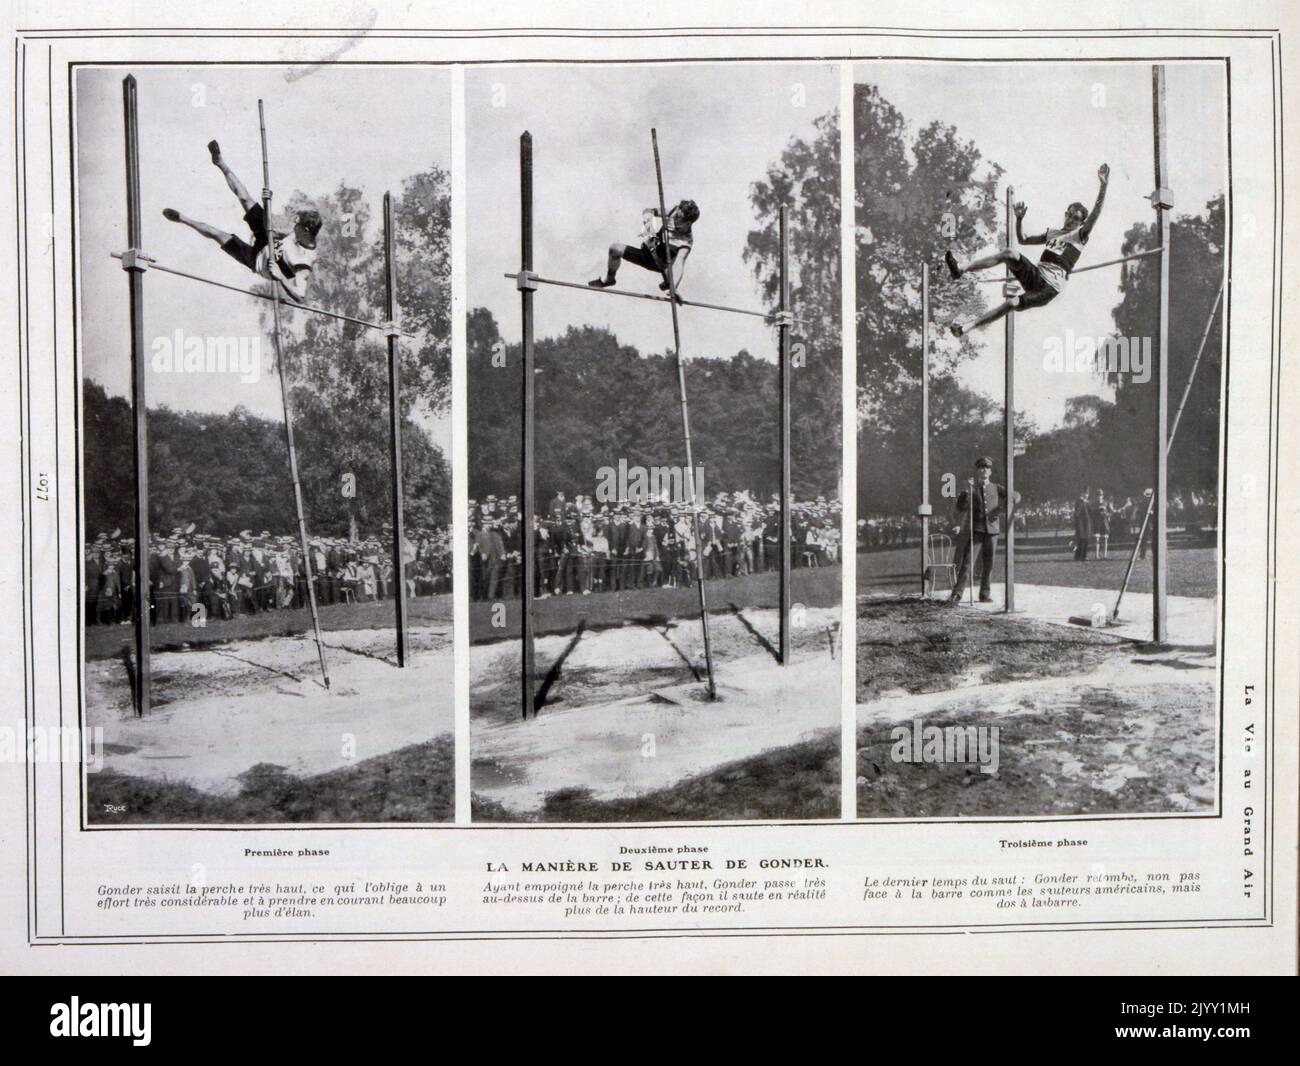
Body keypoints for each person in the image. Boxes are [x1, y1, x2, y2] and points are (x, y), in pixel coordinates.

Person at [945, 164, 1109, 336]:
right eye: (1069, 215)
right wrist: (1019, 220)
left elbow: (1096, 214)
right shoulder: (1053, 233)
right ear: (1065, 213)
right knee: (1010, 253)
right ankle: (960, 269)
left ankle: (965, 328)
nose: (1070, 220)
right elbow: (1023, 240)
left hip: (1048, 289)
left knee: (1012, 304)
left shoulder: (1079, 236)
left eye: (1075, 219)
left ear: (1081, 223)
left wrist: (1103, 186)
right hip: (1035, 275)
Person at [162, 139, 320, 303]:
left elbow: (300, 297)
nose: (294, 226)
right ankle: (220, 163)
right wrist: (266, 201)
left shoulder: (305, 262)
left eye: (298, 225)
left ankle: (182, 219)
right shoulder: (296, 234)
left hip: (257, 260)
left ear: (307, 230)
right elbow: (270, 228)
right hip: (267, 239)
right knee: (245, 198)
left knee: (218, 234)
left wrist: (280, 278)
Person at [589, 199, 699, 297]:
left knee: (670, 269)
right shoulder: (674, 211)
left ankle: (668, 281)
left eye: (678, 219)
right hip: (647, 249)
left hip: (655, 262)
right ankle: (609, 279)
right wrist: (648, 221)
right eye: (675, 216)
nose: (674, 219)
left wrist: (674, 287)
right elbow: (648, 210)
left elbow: (679, 263)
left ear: (688, 223)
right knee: (614, 249)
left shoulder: (686, 241)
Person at [950, 456, 1019, 604]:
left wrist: (1000, 509)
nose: (984, 470)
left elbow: (1015, 496)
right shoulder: (971, 489)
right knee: (968, 562)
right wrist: (966, 492)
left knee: (989, 564)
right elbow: (961, 507)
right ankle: (957, 593)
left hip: (993, 531)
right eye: (981, 467)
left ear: (990, 471)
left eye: (987, 468)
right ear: (977, 471)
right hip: (977, 531)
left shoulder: (996, 487)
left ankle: (984, 594)